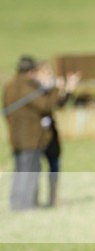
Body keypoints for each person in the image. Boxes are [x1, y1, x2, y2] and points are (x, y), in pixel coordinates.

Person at [2, 55, 77, 210]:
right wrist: (56, 87)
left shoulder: (9, 86)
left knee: (20, 172)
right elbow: (45, 106)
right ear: (30, 71)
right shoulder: (27, 86)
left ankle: (16, 204)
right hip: (31, 138)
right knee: (30, 172)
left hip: (16, 136)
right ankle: (26, 206)